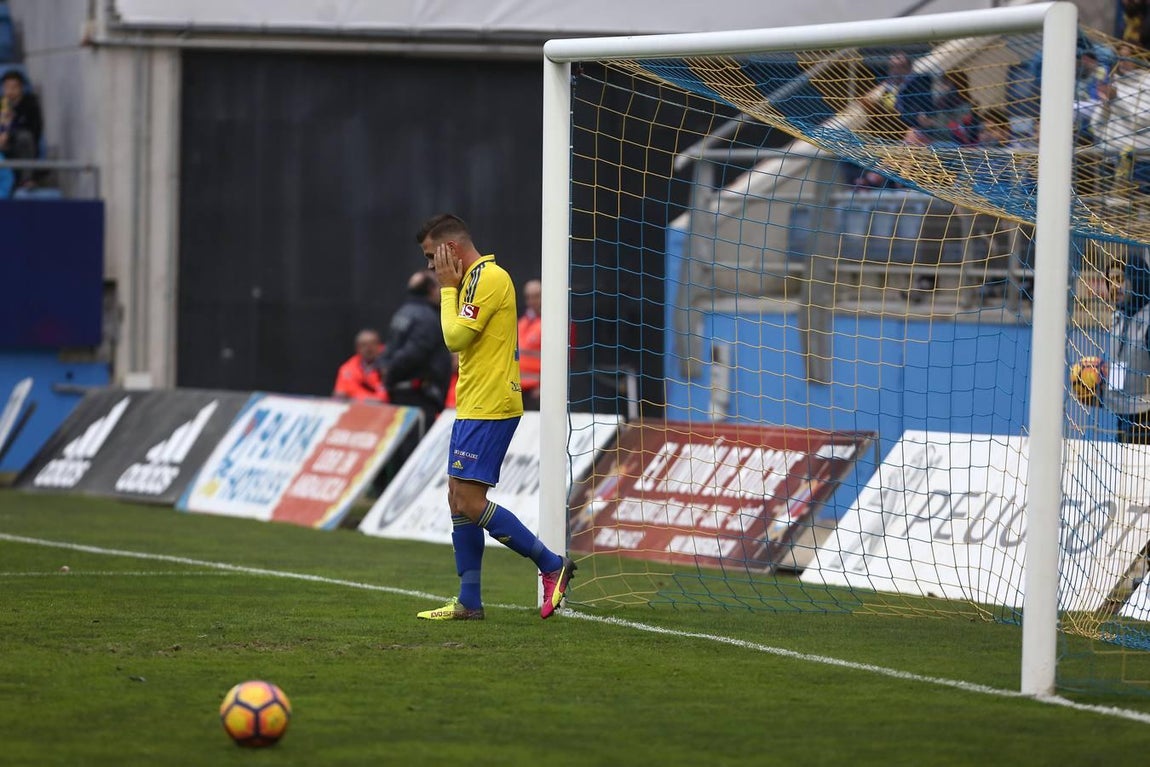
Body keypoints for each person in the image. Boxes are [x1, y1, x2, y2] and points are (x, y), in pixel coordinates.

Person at [413, 213, 574, 621]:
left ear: (452, 248)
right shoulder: (471, 281)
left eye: (432, 256)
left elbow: (454, 338)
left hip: (491, 404)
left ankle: (551, 563)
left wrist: (448, 291)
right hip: (473, 403)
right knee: (457, 496)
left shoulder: (489, 278)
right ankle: (470, 600)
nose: (431, 267)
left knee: (470, 500)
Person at [377, 268, 453, 429]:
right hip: (418, 397)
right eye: (439, 287)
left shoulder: (403, 313)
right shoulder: (427, 317)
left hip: (401, 394)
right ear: (431, 290)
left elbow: (389, 351)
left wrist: (388, 374)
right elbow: (413, 353)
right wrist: (390, 374)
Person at [1098, 252, 1150, 443]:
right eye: (1110, 281)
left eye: (1120, 279)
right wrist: (1100, 387)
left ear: (1137, 280)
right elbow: (1121, 366)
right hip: (1125, 417)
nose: (1115, 287)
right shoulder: (1117, 317)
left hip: (1146, 419)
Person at [0, 70, 42, 188]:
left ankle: (27, 179)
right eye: (7, 87)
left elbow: (35, 131)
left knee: (25, 137)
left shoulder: (30, 104)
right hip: (2, 145)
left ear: (21, 88)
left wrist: (8, 131)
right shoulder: (1, 103)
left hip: (19, 146)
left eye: (14, 87)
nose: (10, 91)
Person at [332, 329, 389, 402]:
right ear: (357, 348)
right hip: (355, 409)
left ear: (379, 345)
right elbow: (338, 396)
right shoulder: (347, 368)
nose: (369, 348)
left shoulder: (389, 365)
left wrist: (353, 399)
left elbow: (382, 399)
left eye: (372, 343)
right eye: (364, 345)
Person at [517, 278, 543, 411]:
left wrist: (544, 386)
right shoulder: (521, 324)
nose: (532, 301)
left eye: (536, 296)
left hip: (537, 391)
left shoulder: (552, 325)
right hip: (518, 390)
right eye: (528, 297)